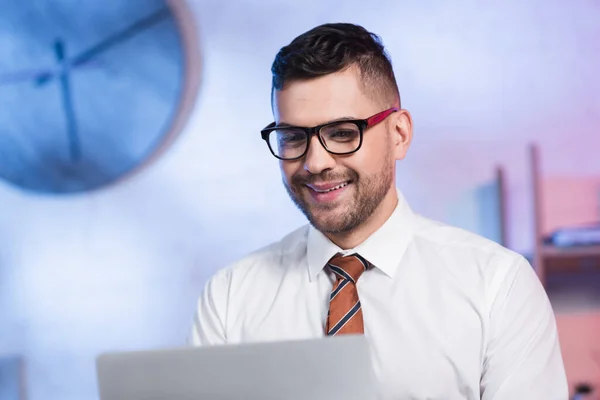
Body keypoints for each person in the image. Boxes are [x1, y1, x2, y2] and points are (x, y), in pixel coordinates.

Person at [190, 22, 568, 399]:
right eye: (293, 137)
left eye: (342, 132)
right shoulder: (230, 297)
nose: (315, 162)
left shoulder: (497, 287)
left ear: (399, 134)